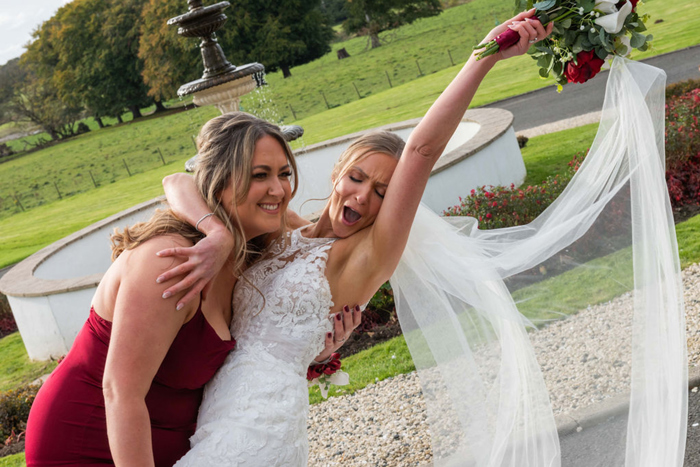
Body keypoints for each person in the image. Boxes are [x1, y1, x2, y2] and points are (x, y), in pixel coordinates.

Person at [154, 9, 556, 466]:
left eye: (383, 193)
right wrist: (216, 237)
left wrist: (484, 55)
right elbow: (178, 181)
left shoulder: (367, 255)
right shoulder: (283, 227)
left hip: (259, 428)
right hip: (214, 413)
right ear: (337, 173)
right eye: (358, 178)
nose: (364, 197)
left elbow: (422, 151)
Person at [24, 113, 356, 466]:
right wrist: (219, 233)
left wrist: (314, 346)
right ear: (219, 182)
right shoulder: (172, 262)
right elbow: (120, 391)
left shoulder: (252, 243)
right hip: (90, 435)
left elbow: (327, 247)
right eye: (260, 175)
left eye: (284, 173)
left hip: (177, 441)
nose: (279, 190)